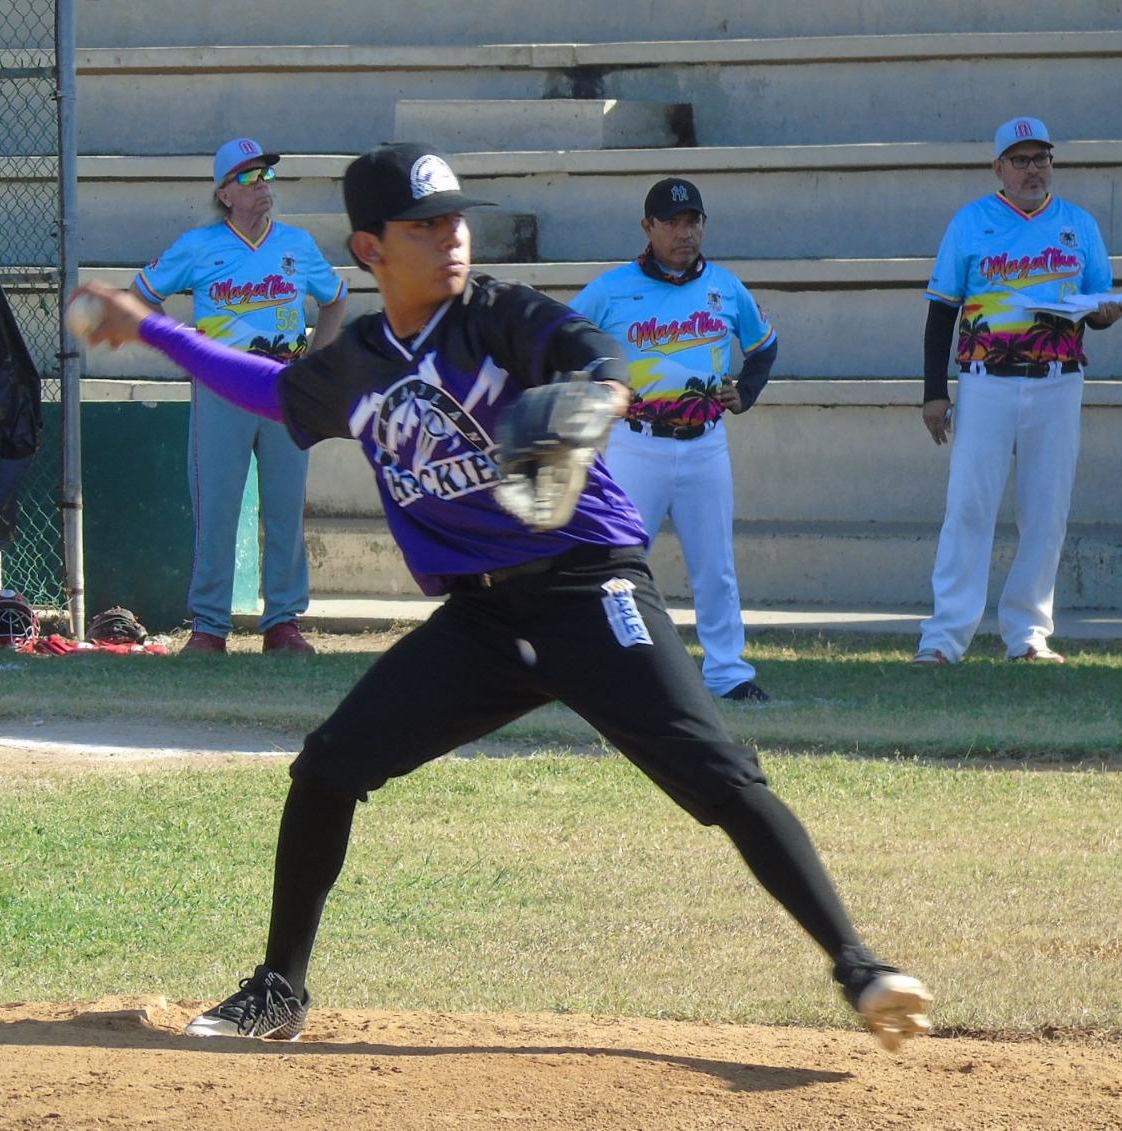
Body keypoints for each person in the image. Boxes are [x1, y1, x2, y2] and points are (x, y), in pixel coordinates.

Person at [73, 142, 932, 1051]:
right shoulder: (362, 358)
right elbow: (278, 389)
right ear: (370, 250)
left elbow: (592, 347)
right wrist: (154, 330)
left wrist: (599, 391)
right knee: (327, 767)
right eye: (424, 223)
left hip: (589, 586)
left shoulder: (497, 316)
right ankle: (280, 988)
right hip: (484, 620)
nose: (451, 236)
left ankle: (861, 967)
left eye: (455, 217)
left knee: (719, 776)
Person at [913, 117, 1122, 666]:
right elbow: (942, 311)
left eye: (1041, 158)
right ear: (999, 168)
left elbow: (1097, 305)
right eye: (1020, 159)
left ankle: (1029, 634)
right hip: (986, 381)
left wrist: (1105, 314)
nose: (1032, 169)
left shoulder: (1077, 224)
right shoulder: (972, 222)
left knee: (1046, 509)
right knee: (969, 507)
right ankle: (943, 638)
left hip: (1058, 382)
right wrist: (934, 392)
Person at [132, 137, 348, 656]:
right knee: (218, 509)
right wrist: (186, 351)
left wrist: (316, 367)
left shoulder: (296, 244)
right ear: (225, 193)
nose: (262, 186)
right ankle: (209, 626)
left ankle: (283, 623)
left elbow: (335, 300)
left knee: (284, 509)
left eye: (266, 176)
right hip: (223, 386)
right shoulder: (199, 246)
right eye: (249, 178)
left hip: (283, 385)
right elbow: (142, 295)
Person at [569, 178, 776, 702]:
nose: (686, 232)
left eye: (694, 221)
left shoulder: (726, 287)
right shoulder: (611, 289)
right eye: (673, 222)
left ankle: (728, 673)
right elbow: (563, 336)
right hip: (635, 442)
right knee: (616, 560)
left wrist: (746, 392)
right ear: (648, 227)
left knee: (715, 565)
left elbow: (763, 346)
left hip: (705, 442)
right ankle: (608, 666)